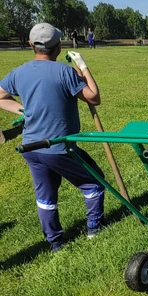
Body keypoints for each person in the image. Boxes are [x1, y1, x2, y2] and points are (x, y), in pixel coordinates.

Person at [0, 23, 105, 252]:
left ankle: (55, 243)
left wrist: (23, 110)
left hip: (31, 147)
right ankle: (94, 230)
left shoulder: (20, 71)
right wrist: (83, 67)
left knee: (45, 196)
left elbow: (0, 96)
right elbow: (94, 97)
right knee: (95, 183)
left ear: (31, 45)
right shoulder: (64, 72)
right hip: (59, 147)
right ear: (58, 46)